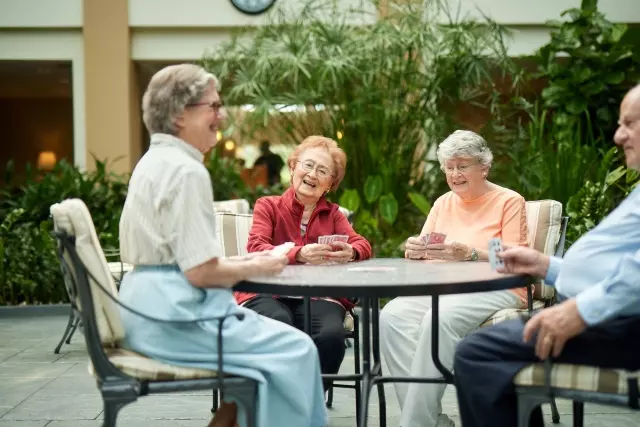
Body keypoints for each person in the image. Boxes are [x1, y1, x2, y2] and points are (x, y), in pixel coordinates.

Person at [117, 64, 327, 427]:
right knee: (297, 350)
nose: (221, 115)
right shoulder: (186, 170)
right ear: (181, 114)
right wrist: (262, 264)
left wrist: (252, 259)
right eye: (212, 106)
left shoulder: (152, 161)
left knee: (266, 360)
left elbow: (184, 257)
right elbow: (201, 272)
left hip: (146, 310)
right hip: (175, 320)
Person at [453, 84, 640, 427]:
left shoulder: (506, 198)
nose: (618, 136)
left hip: (623, 323)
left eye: (629, 123)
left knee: (476, 354)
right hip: (614, 313)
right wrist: (545, 265)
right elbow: (623, 268)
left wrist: (581, 311)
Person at [379, 130, 529, 427]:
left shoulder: (508, 201)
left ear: (483, 167)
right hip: (444, 287)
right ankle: (430, 420)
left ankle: (414, 424)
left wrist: (471, 254)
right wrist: (414, 249)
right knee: (391, 315)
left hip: (499, 286)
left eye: (462, 166)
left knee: (439, 318)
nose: (454, 174)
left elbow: (514, 257)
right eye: (449, 166)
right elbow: (424, 249)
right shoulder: (443, 203)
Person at [234, 135, 372, 389]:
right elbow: (257, 246)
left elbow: (363, 245)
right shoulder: (268, 206)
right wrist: (298, 254)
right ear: (293, 167)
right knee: (277, 324)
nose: (312, 174)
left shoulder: (333, 214)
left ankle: (308, 401)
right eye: (307, 165)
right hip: (268, 291)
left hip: (318, 296)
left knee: (331, 336)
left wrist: (350, 251)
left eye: (323, 171)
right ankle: (280, 399)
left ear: (329, 184)